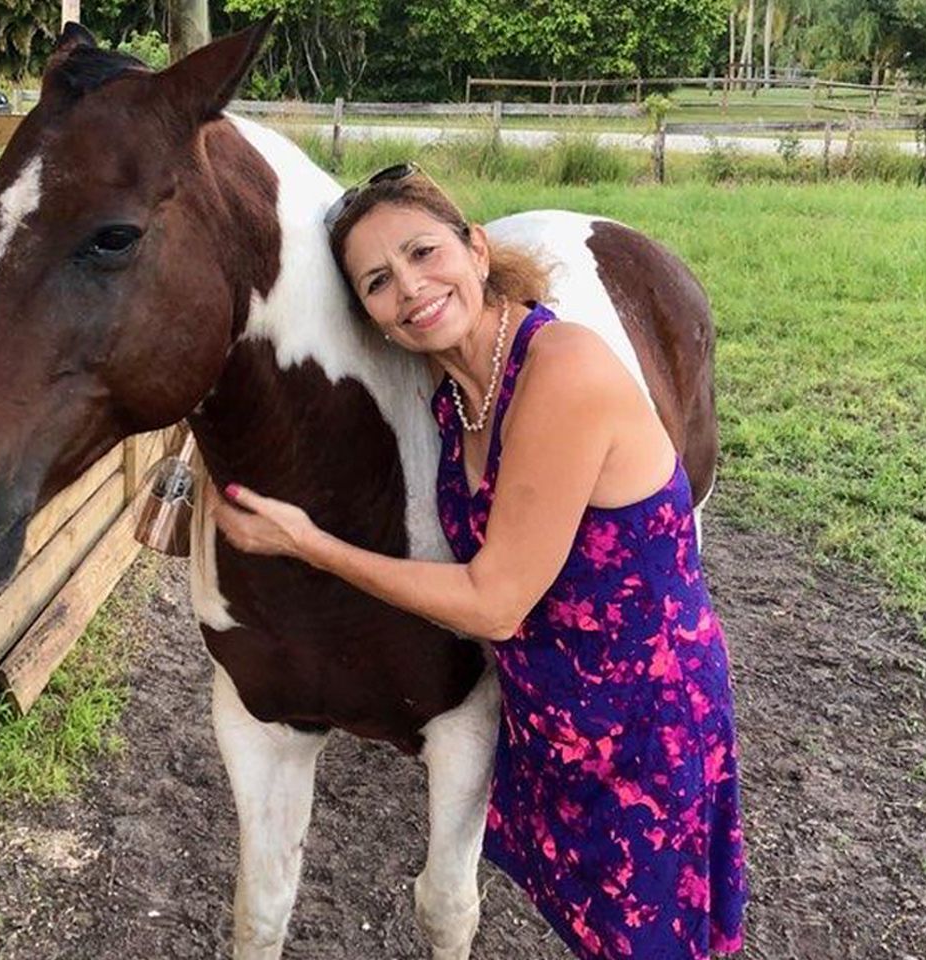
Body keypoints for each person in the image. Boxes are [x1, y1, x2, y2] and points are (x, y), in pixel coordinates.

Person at [210, 163, 747, 959]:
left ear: (477, 247)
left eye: (425, 252)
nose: (412, 288)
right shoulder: (451, 394)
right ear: (370, 318)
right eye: (378, 282)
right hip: (553, 720)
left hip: (642, 726)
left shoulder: (563, 370)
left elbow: (496, 604)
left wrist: (306, 544)